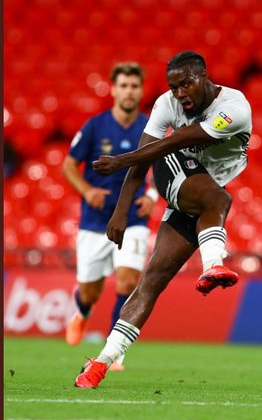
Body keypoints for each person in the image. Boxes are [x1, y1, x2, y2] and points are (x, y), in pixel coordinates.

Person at [74, 50, 251, 388]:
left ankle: (100, 364)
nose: (180, 94)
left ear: (204, 77)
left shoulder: (234, 108)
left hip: (197, 190)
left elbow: (184, 137)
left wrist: (120, 160)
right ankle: (213, 264)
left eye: (186, 84)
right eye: (174, 87)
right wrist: (121, 210)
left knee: (152, 282)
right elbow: (149, 155)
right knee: (219, 198)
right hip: (172, 172)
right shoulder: (166, 103)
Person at [62, 62, 158, 371]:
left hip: (133, 218)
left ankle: (112, 351)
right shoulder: (95, 126)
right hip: (95, 220)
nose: (129, 91)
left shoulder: (150, 128)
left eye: (134, 86)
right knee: (91, 291)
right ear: (114, 89)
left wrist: (152, 196)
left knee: (128, 281)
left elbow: (162, 168)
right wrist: (87, 190)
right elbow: (68, 165)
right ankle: (83, 311)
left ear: (140, 91)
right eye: (124, 86)